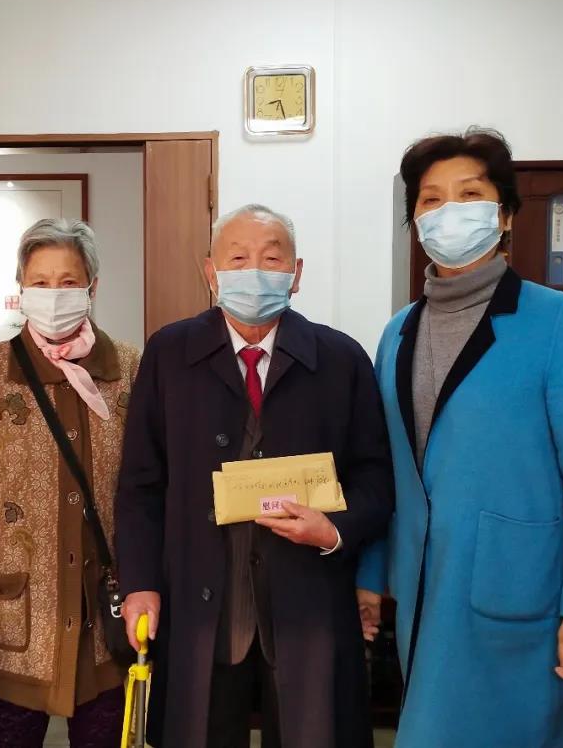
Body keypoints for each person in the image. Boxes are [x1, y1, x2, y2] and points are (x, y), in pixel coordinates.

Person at [356, 129, 563, 748]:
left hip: (521, 600)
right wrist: (370, 576)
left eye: (470, 194)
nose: (449, 211)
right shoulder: (397, 333)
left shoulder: (560, 322)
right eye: (431, 200)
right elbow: (388, 470)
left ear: (504, 216)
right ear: (415, 223)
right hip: (423, 592)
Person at [115, 204, 395, 748]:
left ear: (297, 272)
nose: (255, 272)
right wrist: (140, 583)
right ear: (211, 272)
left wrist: (335, 530)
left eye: (272, 259)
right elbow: (141, 485)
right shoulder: (169, 353)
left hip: (309, 602)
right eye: (238, 259)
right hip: (199, 603)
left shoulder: (341, 359)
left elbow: (376, 478)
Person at [0, 218, 141, 748]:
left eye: (68, 282)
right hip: (14, 616)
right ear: (21, 288)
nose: (54, 294)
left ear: (92, 287)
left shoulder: (130, 369)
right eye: (40, 282)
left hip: (104, 616)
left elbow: (149, 488)